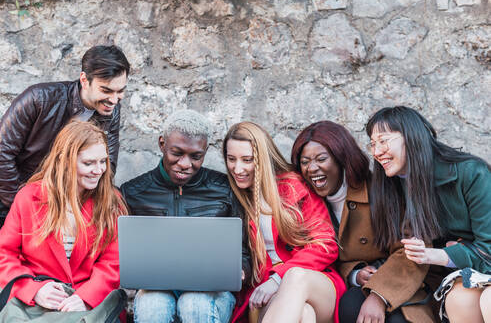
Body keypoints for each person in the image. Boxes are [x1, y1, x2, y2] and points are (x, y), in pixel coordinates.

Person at [291, 120, 435, 323]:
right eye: (305, 162)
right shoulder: (308, 205)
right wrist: (355, 274)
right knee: (351, 307)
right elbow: (324, 256)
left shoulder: (381, 189)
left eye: (321, 159)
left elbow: (413, 249)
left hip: (399, 284)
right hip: (352, 289)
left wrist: (378, 295)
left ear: (342, 158)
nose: (312, 168)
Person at [120, 109, 251, 323]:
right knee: (153, 305)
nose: (185, 164)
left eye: (196, 156)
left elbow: (244, 250)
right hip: (156, 290)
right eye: (177, 153)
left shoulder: (226, 189)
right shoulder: (133, 192)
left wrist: (241, 270)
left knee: (194, 303)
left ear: (205, 151)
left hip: (213, 291)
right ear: (162, 144)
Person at [366, 106, 491, 323]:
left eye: (383, 140)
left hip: (480, 270)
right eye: (373, 144)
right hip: (451, 278)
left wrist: (441, 255)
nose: (376, 152)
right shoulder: (394, 186)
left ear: (412, 137)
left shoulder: (471, 173)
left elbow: (488, 250)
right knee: (458, 300)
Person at [223, 121, 345, 323]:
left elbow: (325, 244)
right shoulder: (233, 197)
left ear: (262, 157)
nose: (238, 168)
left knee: (295, 276)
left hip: (314, 283)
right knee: (305, 315)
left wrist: (278, 277)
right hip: (265, 294)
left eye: (247, 160)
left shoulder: (293, 186)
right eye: (231, 159)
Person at [0, 121, 127, 313]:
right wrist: (33, 290)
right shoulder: (29, 197)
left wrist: (85, 297)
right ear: (65, 161)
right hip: (36, 305)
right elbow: (4, 254)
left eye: (103, 161)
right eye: (88, 163)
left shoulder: (111, 201)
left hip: (89, 306)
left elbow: (113, 262)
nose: (99, 170)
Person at [0, 45, 130, 227]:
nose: (114, 100)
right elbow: (2, 153)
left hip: (69, 209)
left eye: (120, 91)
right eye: (106, 91)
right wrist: (20, 205)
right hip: (13, 203)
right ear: (84, 80)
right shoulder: (39, 99)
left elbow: (108, 167)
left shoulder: (111, 110)